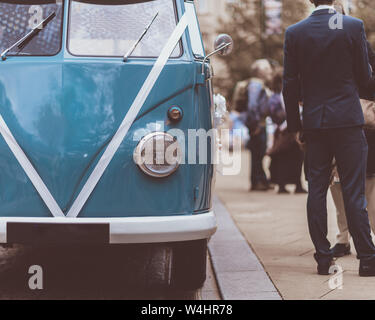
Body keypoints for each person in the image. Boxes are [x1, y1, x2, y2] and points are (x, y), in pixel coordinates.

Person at [283, 0, 375, 276]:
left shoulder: (295, 32)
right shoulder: (352, 26)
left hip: (315, 122)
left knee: (317, 189)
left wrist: (295, 125)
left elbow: (289, 83)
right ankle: (368, 259)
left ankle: (323, 258)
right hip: (348, 119)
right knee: (353, 191)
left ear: (311, 1)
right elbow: (364, 76)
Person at [328, 1, 375, 258]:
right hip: (331, 122)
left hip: (360, 121)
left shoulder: (359, 39)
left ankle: (367, 237)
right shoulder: (316, 41)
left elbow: (371, 77)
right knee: (336, 182)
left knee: (367, 183)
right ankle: (343, 237)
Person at [268, 68, 307, 194]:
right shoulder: (275, 96)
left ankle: (296, 184)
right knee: (284, 158)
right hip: (283, 131)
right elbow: (274, 113)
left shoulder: (288, 93)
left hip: (291, 128)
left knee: (295, 157)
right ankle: (283, 184)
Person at [245, 59, 273, 191]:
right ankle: (257, 182)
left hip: (259, 124)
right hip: (258, 125)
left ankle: (259, 180)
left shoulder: (259, 84)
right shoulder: (256, 85)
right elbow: (252, 106)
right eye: (267, 69)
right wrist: (255, 125)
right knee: (257, 153)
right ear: (259, 71)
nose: (270, 71)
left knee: (259, 153)